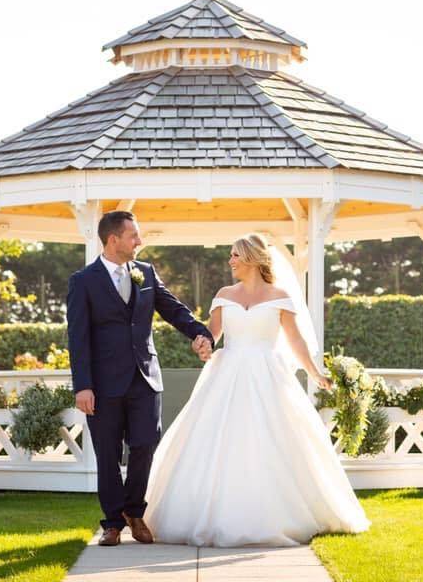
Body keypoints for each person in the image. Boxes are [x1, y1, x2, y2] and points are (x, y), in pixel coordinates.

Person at [142, 233, 370, 547]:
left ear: (251, 258)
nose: (230, 261)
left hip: (268, 376)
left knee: (274, 439)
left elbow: (295, 341)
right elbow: (212, 334)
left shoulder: (279, 296)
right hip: (227, 375)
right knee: (219, 440)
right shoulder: (224, 294)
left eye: (235, 255)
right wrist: (203, 344)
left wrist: (315, 372)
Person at [66, 210, 214, 547]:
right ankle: (113, 523)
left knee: (146, 445)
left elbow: (173, 309)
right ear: (113, 239)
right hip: (102, 386)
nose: (139, 241)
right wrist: (83, 386)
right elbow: (78, 338)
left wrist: (199, 333)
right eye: (134, 235)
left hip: (145, 379)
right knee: (107, 453)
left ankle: (135, 511)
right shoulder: (83, 281)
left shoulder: (145, 273)